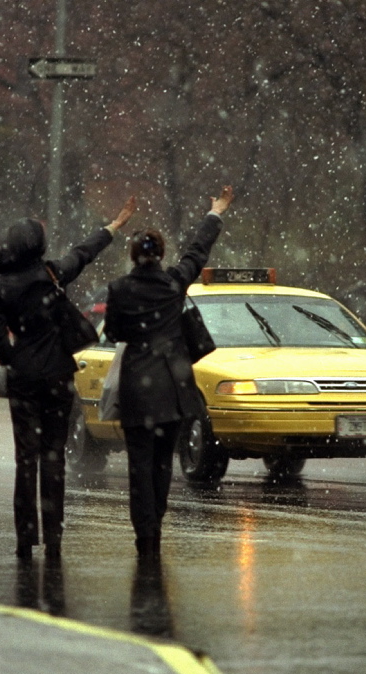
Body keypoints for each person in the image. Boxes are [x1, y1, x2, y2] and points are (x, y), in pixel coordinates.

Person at [0, 197, 137, 562]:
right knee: (53, 460)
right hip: (58, 377)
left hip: (22, 381)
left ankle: (26, 540)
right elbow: (81, 254)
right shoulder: (52, 274)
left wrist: (16, 361)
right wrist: (112, 228)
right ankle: (54, 538)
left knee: (25, 461)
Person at [104, 186, 234, 558]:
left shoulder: (119, 289)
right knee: (162, 463)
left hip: (136, 391)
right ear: (161, 255)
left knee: (139, 465)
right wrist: (216, 212)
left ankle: (144, 532)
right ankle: (156, 524)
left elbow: (114, 333)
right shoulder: (175, 283)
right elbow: (198, 251)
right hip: (172, 390)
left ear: (133, 256)